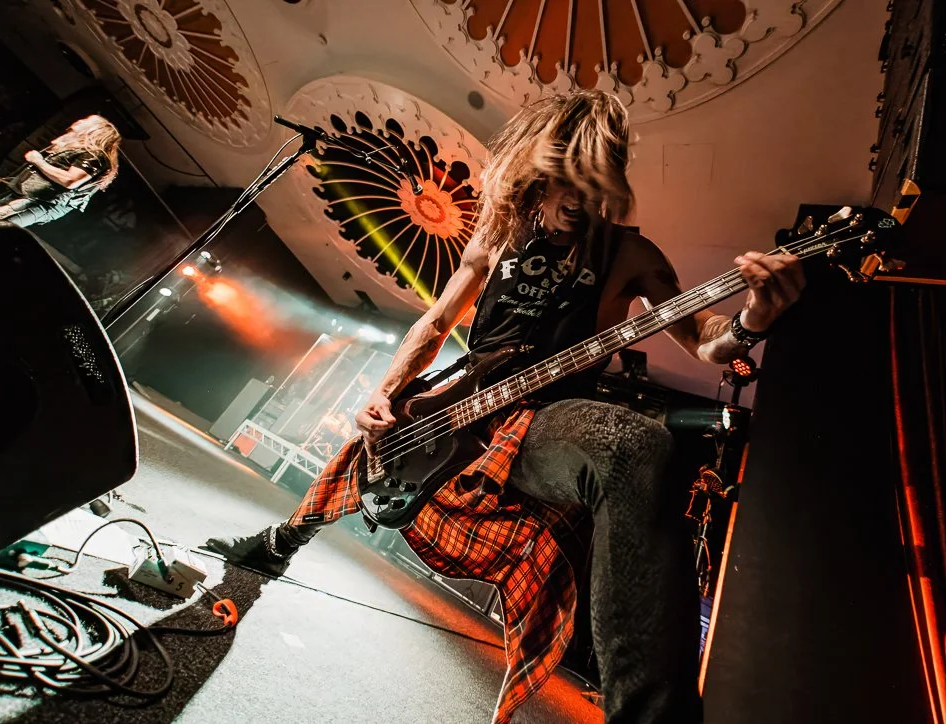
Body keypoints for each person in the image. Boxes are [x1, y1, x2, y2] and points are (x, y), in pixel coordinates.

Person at [207, 90, 804, 723]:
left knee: (634, 444)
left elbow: (703, 338)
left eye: (593, 183)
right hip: (466, 397)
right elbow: (436, 322)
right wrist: (384, 391)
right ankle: (277, 542)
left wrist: (751, 321)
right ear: (539, 170)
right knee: (371, 452)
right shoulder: (497, 234)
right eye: (567, 178)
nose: (578, 199)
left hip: (547, 418)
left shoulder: (631, 255)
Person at [0, 114, 121, 227]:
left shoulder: (96, 155)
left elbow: (70, 180)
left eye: (86, 121)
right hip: (27, 193)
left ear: (94, 130)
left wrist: (38, 161)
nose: (80, 120)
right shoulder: (77, 149)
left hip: (43, 201)